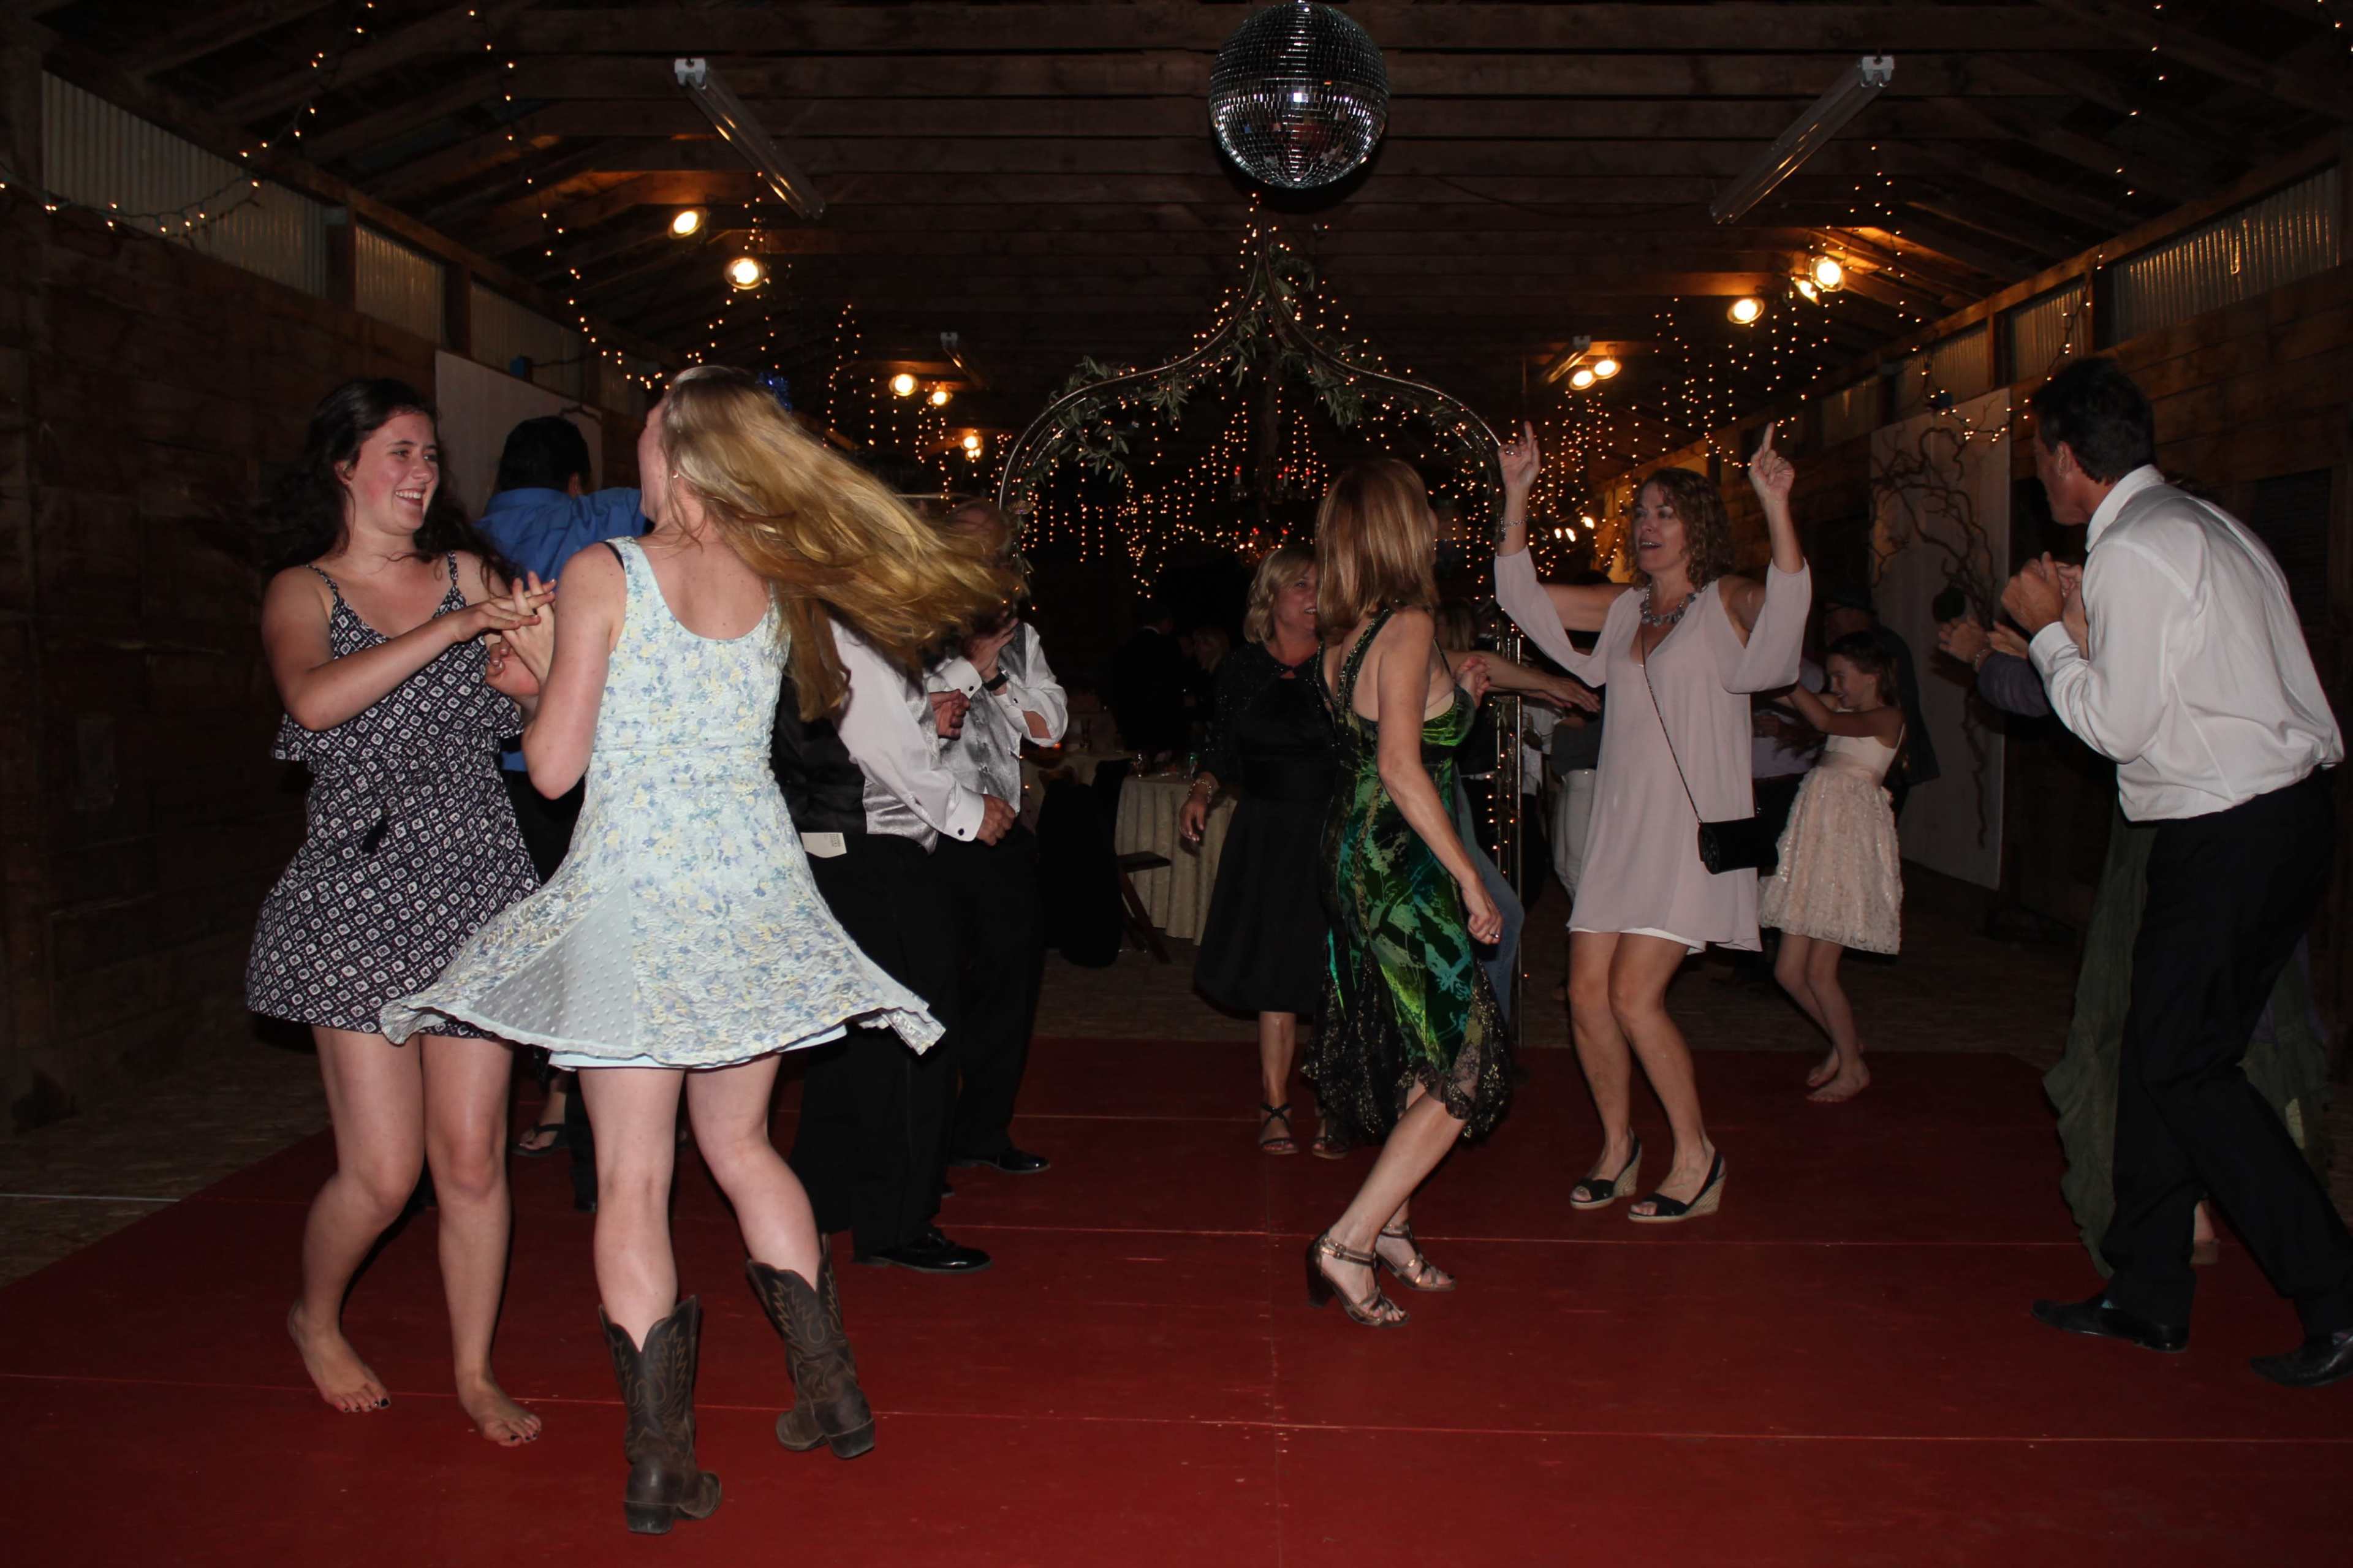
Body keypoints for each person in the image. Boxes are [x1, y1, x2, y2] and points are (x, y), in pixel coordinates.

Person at [383, 366, 1014, 1531]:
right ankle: (832, 1390)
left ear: (678, 453)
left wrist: (532, 670)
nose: (632, 453)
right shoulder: (773, 575)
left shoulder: (604, 570)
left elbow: (557, 766)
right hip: (751, 889)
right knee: (744, 1146)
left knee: (634, 1177)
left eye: (646, 435)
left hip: (641, 892)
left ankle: (662, 1461)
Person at [2004, 358, 2349, 1388]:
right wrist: (2085, 626)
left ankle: (2337, 1290)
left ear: (2068, 458)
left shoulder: (2137, 548)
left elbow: (2116, 726)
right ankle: (2148, 1288)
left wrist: (2046, 634)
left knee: (2187, 1066)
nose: (2040, 473)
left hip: (2230, 829)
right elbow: (2185, 684)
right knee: (2163, 1056)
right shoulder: (2204, 526)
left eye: (2039, 454)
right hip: (2273, 820)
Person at [244, 378, 550, 1446]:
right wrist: (454, 628)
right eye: (399, 451)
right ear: (344, 465)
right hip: (360, 889)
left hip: (476, 878)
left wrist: (533, 664)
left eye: (429, 454)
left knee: (471, 1158)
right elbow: (314, 698)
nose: (422, 472)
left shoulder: (469, 569)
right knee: (383, 1174)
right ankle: (315, 1314)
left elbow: (548, 707)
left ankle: (473, 1369)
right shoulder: (305, 588)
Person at [1936, 617, 2328, 1273]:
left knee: (2166, 1038)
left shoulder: (2150, 597)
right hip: (2254, 833)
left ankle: (2307, 1262)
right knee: (2199, 1034)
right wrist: (2042, 649)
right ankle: (2184, 1233)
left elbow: (2070, 705)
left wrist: (1986, 655)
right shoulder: (2224, 617)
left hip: (2191, 842)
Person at [1493, 422, 1809, 1222]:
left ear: (1698, 525)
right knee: (1586, 995)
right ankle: (1617, 1145)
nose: (1647, 524)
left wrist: (1777, 506)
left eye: (1666, 512)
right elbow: (1519, 595)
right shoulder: (1626, 608)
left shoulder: (1728, 599)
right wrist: (1518, 492)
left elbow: (1785, 609)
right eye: (1642, 512)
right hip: (1622, 828)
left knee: (1634, 997)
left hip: (1688, 837)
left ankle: (1698, 1155)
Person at [1303, 460, 1511, 1329]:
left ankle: (1390, 1227)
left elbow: (1391, 739)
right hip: (1400, 863)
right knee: (1466, 1058)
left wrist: (1456, 700)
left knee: (1416, 1047)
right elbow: (1400, 765)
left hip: (1351, 853)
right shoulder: (1412, 621)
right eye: (1426, 509)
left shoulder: (1345, 635)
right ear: (1402, 526)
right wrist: (1469, 874)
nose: (1439, 521)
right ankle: (1349, 1240)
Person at [773, 607, 1011, 1276]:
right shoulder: (852, 632)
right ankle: (896, 1222)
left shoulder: (808, 621)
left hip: (830, 855)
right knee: (916, 1040)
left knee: (847, 1044)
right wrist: (969, 812)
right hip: (876, 859)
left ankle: (827, 1199)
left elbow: (856, 734)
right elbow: (894, 759)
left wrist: (925, 713)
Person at [475, 415, 645, 1178]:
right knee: (587, 940)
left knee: (519, 938)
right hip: (578, 765)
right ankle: (575, 1111)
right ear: (575, 479)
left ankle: (543, 1097)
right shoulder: (601, 517)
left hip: (490, 778)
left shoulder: (464, 543)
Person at [1180, 547, 1339, 1157]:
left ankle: (1335, 1100)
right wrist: (1201, 790)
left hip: (1330, 827)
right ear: (1272, 596)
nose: (1315, 595)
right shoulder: (1243, 667)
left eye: (1321, 584)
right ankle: (1275, 1105)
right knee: (1275, 968)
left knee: (1332, 968)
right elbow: (1222, 747)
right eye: (1302, 584)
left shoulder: (1342, 660)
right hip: (1267, 832)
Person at [927, 500, 1066, 1178]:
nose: (984, 562)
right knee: (933, 994)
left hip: (1003, 834)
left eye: (994, 551)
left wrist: (994, 674)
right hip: (927, 835)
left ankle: (983, 1131)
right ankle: (924, 1149)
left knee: (1010, 989)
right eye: (969, 547)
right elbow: (902, 722)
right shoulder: (911, 621)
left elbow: (1050, 728)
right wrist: (964, 666)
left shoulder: (1018, 635)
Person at [1759, 634, 1906, 1104]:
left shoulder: (1887, 717)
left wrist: (1788, 678)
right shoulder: (1842, 706)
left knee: (1820, 972)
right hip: (1815, 842)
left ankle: (1853, 1065)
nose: (1835, 685)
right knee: (1788, 971)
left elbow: (1822, 718)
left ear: (1873, 676)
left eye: (1842, 676)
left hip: (1845, 845)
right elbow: (1787, 696)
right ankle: (1847, 1047)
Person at [1821, 590, 1937, 816]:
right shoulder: (1863, 647)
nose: (1828, 622)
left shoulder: (1880, 646)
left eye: (1832, 613)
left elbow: (1896, 702)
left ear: (1852, 613)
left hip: (1887, 758)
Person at [1109, 595, 1194, 758]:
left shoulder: (1126, 647)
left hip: (1132, 724)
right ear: (1165, 622)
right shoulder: (1168, 645)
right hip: (1163, 725)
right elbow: (1175, 684)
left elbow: (1117, 687)